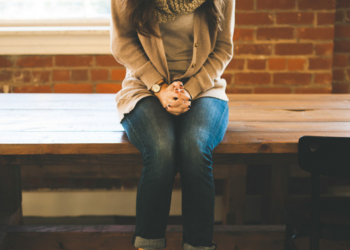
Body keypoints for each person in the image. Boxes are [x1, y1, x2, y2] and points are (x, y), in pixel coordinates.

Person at [110, 0, 235, 249]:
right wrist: (160, 88)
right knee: (160, 148)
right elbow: (122, 43)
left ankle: (198, 245)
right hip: (145, 87)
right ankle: (149, 244)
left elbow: (223, 49)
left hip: (205, 88)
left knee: (195, 147)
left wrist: (187, 90)